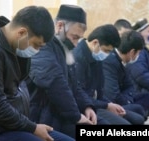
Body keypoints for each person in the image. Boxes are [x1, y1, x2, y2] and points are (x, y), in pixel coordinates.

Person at [0, 6, 74, 141]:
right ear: (21, 33)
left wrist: (30, 126)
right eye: (37, 45)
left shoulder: (13, 46)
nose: (36, 50)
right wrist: (32, 128)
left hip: (12, 126)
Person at [26, 4, 108, 138]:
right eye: (74, 37)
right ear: (59, 26)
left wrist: (87, 106)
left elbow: (74, 85)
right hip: (44, 116)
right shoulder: (42, 45)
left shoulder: (63, 48)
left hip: (61, 113)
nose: (76, 44)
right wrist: (76, 116)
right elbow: (55, 83)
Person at [72, 24, 145, 125]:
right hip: (86, 107)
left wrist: (110, 104)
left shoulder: (96, 56)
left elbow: (99, 91)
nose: (107, 54)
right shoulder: (78, 58)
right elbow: (80, 94)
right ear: (95, 43)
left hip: (97, 104)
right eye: (106, 50)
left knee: (138, 119)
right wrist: (106, 105)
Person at [102, 29, 149, 120]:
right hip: (112, 104)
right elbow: (113, 96)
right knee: (139, 112)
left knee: (147, 98)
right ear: (132, 52)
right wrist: (129, 101)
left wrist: (128, 100)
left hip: (124, 99)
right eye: (138, 53)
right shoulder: (110, 62)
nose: (138, 56)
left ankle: (136, 111)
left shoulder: (125, 61)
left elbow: (130, 87)